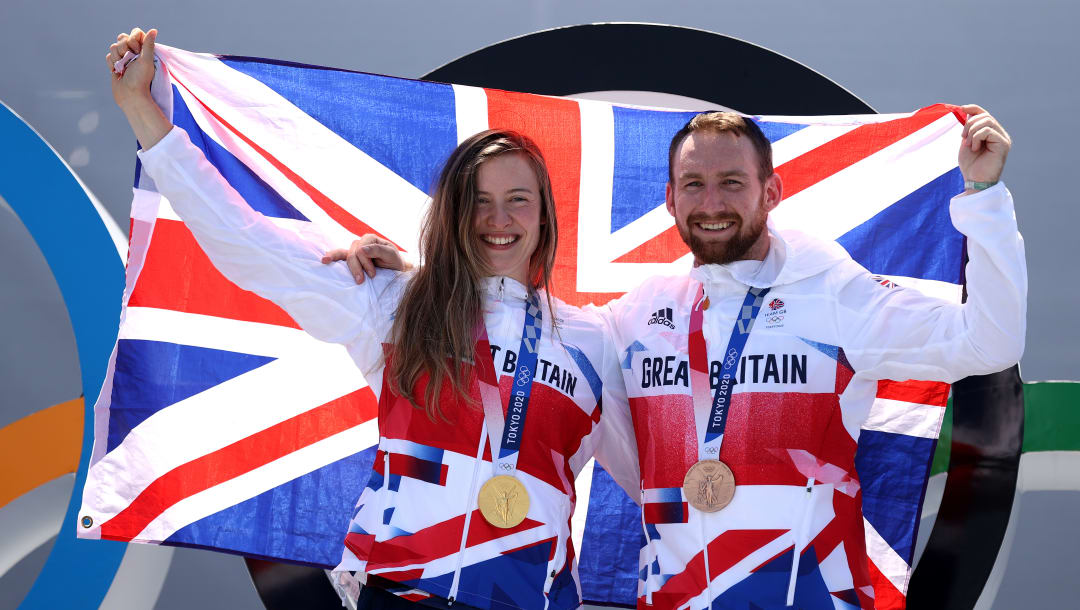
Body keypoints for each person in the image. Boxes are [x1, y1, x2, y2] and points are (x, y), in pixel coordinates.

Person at [346, 108, 1026, 608]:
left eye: (733, 183)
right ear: (670, 199)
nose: (712, 203)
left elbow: (988, 340)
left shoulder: (837, 295)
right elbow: (531, 336)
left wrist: (985, 201)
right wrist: (411, 279)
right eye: (693, 185)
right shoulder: (636, 317)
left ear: (772, 192)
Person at [107, 28, 638, 610]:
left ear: (545, 214)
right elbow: (246, 242)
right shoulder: (398, 303)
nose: (498, 218)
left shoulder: (593, 341)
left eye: (518, 199)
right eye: (478, 200)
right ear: (453, 213)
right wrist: (142, 111)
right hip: (400, 594)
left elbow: (656, 474)